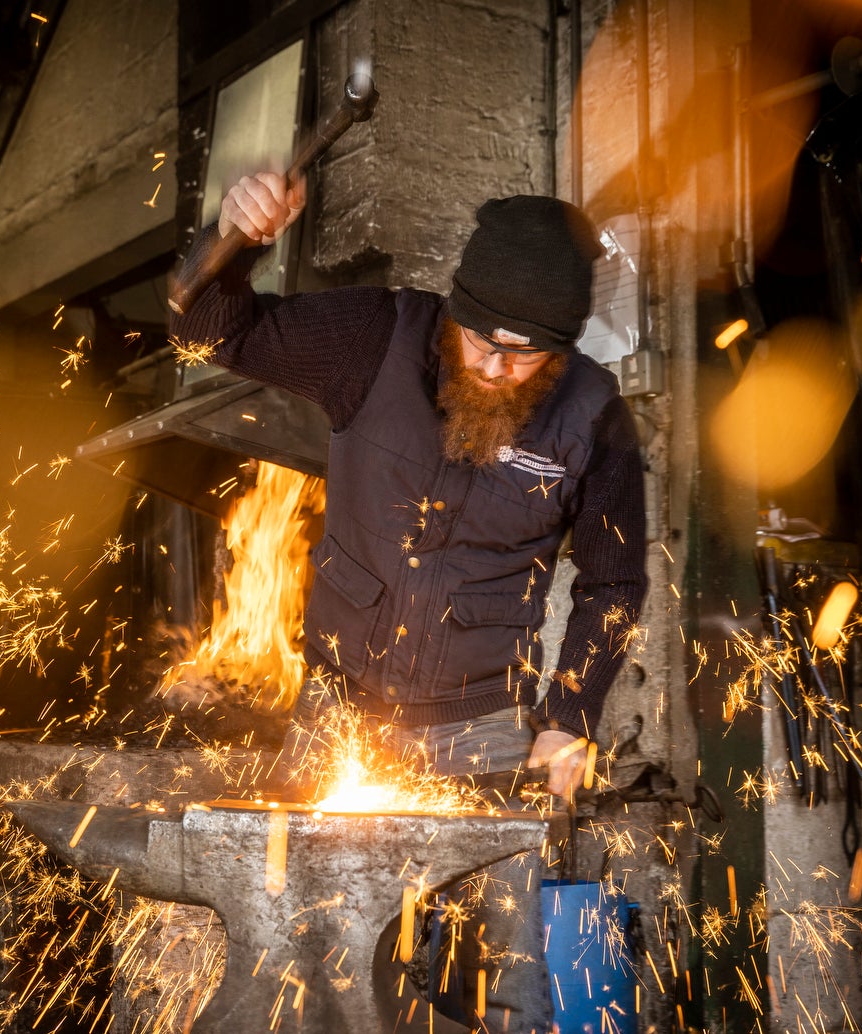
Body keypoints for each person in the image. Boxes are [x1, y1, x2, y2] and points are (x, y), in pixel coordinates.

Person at [170, 171, 648, 1034]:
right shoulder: (379, 337)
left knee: (499, 977)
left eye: (527, 354)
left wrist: (570, 709)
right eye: (483, 343)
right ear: (456, 313)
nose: (499, 369)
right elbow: (210, 329)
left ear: (563, 349)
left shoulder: (592, 413)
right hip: (337, 714)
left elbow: (615, 581)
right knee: (299, 953)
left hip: (484, 728)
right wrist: (237, 237)